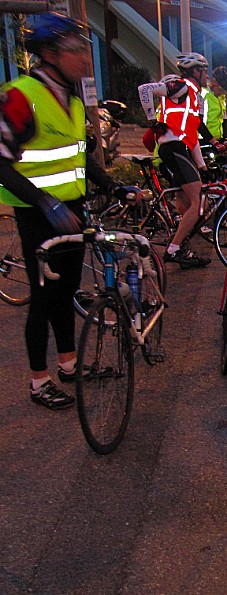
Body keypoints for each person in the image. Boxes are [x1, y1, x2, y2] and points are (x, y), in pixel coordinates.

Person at [0, 13, 141, 409]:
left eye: (84, 49)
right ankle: (38, 380)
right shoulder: (19, 95)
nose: (85, 58)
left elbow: (81, 157)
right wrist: (46, 202)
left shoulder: (73, 98)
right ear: (48, 54)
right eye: (75, 50)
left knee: (65, 293)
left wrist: (113, 184)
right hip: (37, 211)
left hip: (72, 208)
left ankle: (68, 364)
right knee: (44, 299)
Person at [138, 53, 227, 268]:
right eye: (204, 71)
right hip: (173, 147)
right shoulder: (182, 86)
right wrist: (152, 120)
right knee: (198, 203)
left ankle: (183, 248)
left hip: (179, 147)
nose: (207, 75)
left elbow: (193, 132)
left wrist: (203, 166)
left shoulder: (193, 95)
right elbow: (145, 89)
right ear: (196, 71)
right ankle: (174, 248)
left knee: (186, 202)